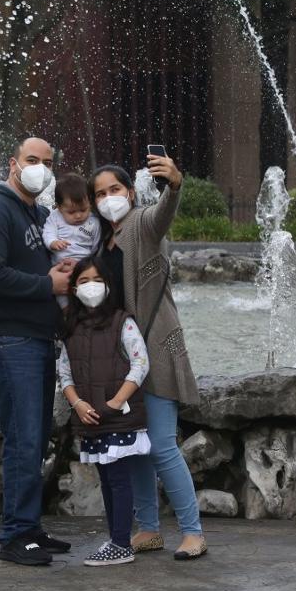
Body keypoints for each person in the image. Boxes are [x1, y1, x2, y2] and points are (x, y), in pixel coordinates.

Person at [90, 156, 207, 560]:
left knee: (160, 444)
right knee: (135, 444)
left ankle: (192, 531)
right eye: (100, 194)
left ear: (130, 191)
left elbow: (163, 215)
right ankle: (150, 528)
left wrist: (175, 185)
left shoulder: (142, 223)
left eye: (115, 190)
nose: (109, 199)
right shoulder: (100, 240)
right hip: (120, 359)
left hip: (154, 348)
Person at [0, 137, 75, 566]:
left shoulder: (41, 215)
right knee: (23, 438)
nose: (41, 169)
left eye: (48, 162)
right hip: (8, 340)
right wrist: (48, 285)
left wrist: (62, 272)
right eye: (33, 160)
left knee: (34, 439)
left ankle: (29, 527)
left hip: (34, 340)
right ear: (14, 163)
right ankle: (15, 535)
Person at [57, 255, 151, 567]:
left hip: (118, 414)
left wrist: (115, 402)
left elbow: (140, 362)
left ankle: (122, 543)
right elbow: (65, 373)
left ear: (108, 285)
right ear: (73, 289)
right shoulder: (71, 326)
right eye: (83, 281)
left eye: (97, 280)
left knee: (119, 479)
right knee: (107, 479)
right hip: (89, 415)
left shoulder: (122, 321)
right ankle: (116, 537)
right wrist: (77, 403)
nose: (91, 287)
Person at [43, 172, 101, 306]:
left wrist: (87, 263)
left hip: (84, 267)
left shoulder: (94, 222)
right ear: (59, 207)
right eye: (71, 212)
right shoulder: (55, 217)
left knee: (87, 297)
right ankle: (66, 314)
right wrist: (53, 242)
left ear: (90, 204)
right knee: (63, 299)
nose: (78, 216)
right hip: (61, 268)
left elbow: (95, 247)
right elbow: (47, 232)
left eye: (83, 210)